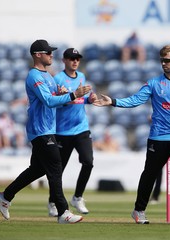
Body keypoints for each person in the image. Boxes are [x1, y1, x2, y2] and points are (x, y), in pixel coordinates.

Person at [95, 45, 170, 224]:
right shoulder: (154, 83)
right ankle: (139, 210)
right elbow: (135, 100)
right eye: (162, 60)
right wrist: (113, 102)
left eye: (167, 60)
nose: (164, 63)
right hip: (159, 138)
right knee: (150, 175)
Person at [0, 39, 92, 224]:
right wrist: (71, 94)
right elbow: (48, 100)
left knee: (37, 169)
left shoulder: (48, 76)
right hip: (40, 129)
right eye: (48, 53)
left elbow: (58, 99)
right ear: (38, 55)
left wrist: (68, 95)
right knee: (55, 167)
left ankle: (5, 196)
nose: (51, 55)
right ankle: (63, 212)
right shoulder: (34, 76)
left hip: (48, 128)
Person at [46, 48, 98, 217]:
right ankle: (53, 201)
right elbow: (54, 103)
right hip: (62, 131)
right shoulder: (58, 79)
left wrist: (90, 99)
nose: (75, 61)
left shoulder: (81, 77)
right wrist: (66, 97)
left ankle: (77, 197)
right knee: (58, 170)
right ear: (64, 60)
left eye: (77, 58)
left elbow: (81, 100)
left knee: (88, 162)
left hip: (81, 128)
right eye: (71, 58)